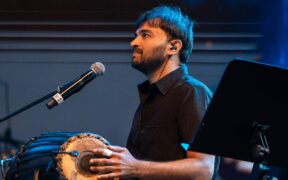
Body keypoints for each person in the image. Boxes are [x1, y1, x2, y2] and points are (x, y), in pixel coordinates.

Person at [89, 5, 216, 179]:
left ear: (173, 47)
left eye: (145, 35)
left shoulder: (191, 92)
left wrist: (135, 167)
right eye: (136, 36)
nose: (133, 42)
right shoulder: (151, 97)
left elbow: (203, 170)